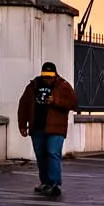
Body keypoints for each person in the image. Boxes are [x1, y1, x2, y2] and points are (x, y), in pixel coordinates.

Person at [16, 59, 75, 198]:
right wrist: (22, 124)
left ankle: (55, 184)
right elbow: (23, 104)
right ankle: (45, 182)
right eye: (45, 77)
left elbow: (73, 103)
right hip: (37, 127)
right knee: (41, 155)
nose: (47, 79)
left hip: (56, 128)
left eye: (50, 77)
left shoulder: (63, 86)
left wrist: (56, 101)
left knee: (52, 152)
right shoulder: (33, 86)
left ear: (55, 75)